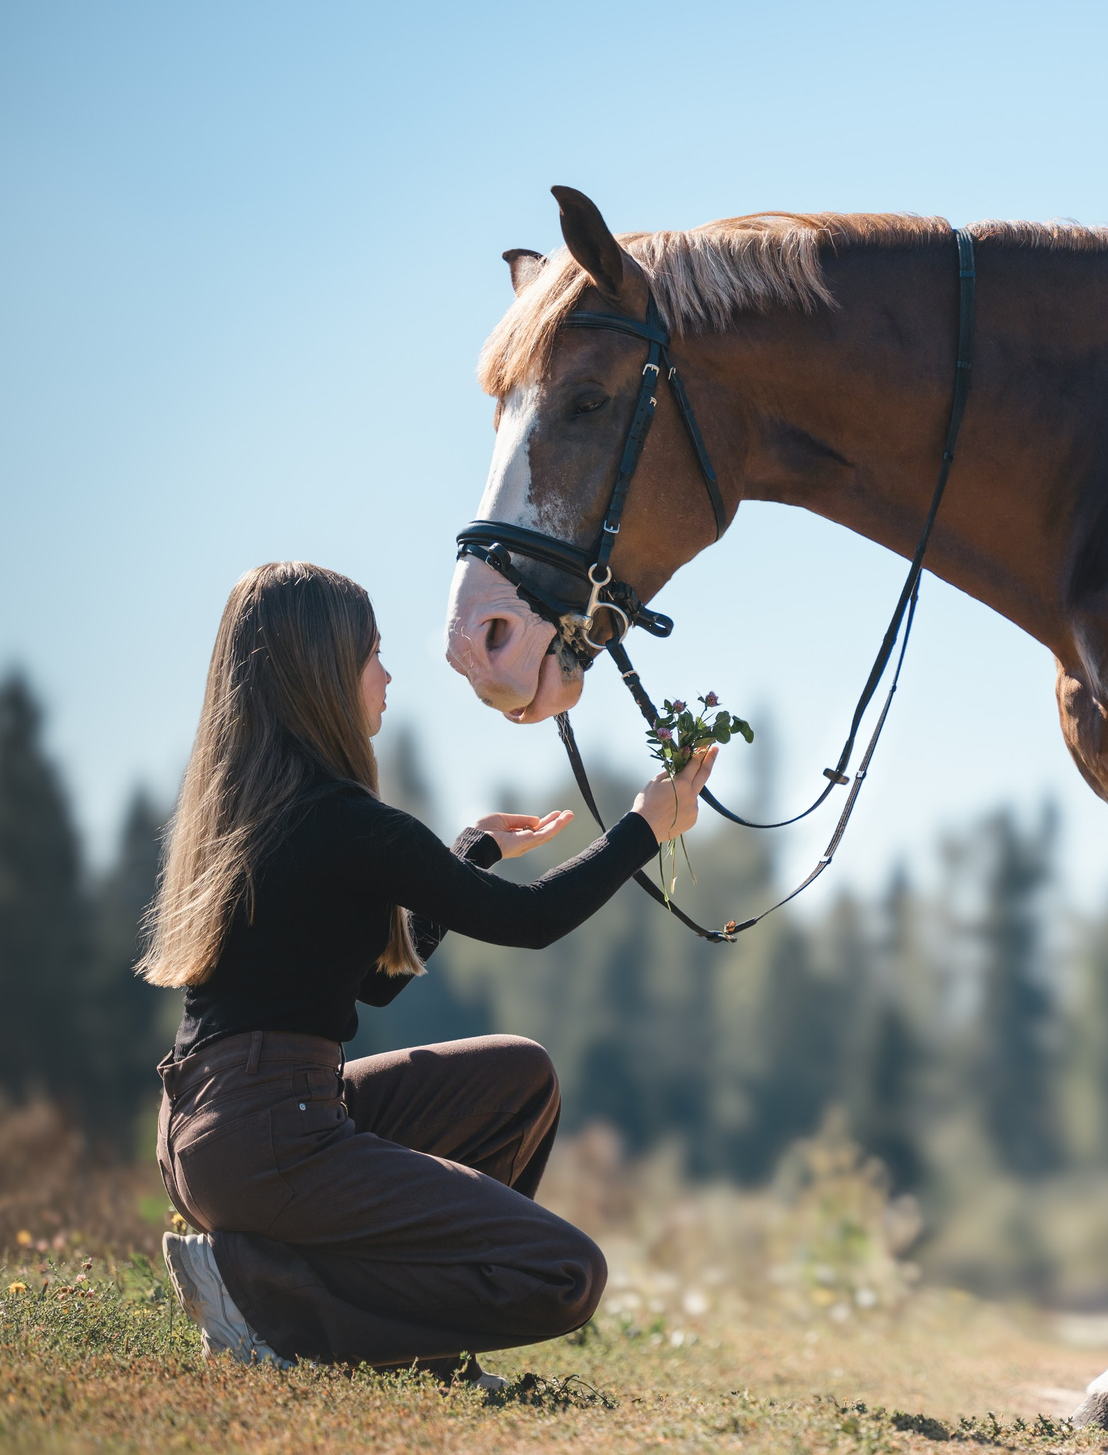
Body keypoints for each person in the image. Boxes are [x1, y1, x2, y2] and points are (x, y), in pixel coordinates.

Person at [139, 561, 714, 1376]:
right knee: (564, 1272)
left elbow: (373, 981)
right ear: (324, 672)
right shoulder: (351, 822)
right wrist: (643, 828)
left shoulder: (260, 811)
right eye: (373, 653)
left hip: (219, 1129)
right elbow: (532, 919)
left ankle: (404, 1341)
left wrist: (470, 852)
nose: (387, 675)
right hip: (274, 1132)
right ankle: (259, 1287)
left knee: (520, 1078)